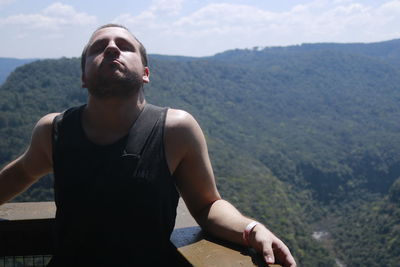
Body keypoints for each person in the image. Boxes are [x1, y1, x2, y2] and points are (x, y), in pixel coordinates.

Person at [0, 24, 297, 266]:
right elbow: (22, 173)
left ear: (145, 73)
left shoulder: (175, 129)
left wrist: (251, 229)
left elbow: (207, 205)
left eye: (124, 46)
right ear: (83, 77)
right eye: (98, 47)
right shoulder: (55, 130)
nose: (112, 48)